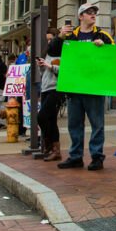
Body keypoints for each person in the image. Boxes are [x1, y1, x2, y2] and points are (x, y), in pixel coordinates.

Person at [56, 3, 114, 170]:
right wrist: (60, 36)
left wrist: (103, 47)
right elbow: (53, 51)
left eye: (94, 12)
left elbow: (114, 54)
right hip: (74, 88)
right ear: (80, 17)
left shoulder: (102, 35)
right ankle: (75, 157)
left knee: (97, 123)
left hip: (94, 88)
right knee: (74, 124)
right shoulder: (70, 36)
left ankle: (97, 157)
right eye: (88, 12)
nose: (93, 15)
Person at [37, 27, 64, 162]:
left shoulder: (63, 52)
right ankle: (53, 148)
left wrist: (50, 66)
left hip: (56, 89)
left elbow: (65, 70)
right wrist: (41, 65)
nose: (49, 42)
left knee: (42, 116)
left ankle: (52, 147)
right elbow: (43, 73)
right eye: (47, 40)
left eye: (51, 39)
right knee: (50, 120)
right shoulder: (47, 53)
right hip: (45, 88)